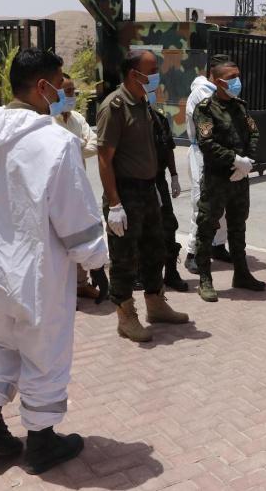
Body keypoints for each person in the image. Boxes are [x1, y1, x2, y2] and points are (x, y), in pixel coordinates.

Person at [0, 48, 109, 473]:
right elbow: (75, 216)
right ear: (43, 86)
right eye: (60, 84)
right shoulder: (54, 143)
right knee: (45, 353)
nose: (65, 92)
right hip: (37, 274)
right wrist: (95, 260)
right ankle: (41, 441)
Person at [96, 50, 189, 343]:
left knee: (155, 249)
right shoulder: (115, 106)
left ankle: (156, 304)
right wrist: (114, 204)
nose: (156, 76)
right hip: (125, 193)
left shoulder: (142, 103)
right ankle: (126, 316)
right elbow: (104, 158)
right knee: (125, 257)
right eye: (151, 71)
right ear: (133, 74)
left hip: (148, 190)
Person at [192, 58, 266, 302]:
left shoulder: (240, 107)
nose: (237, 81)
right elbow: (206, 143)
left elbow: (254, 133)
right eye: (231, 77)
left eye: (237, 76)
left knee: (237, 226)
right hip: (217, 179)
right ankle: (205, 278)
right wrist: (234, 159)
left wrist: (247, 162)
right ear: (217, 81)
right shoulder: (205, 109)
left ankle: (242, 274)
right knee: (207, 227)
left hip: (239, 179)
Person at [51, 73, 106, 301]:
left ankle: (81, 284)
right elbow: (55, 151)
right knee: (59, 241)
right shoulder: (47, 120)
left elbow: (94, 145)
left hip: (78, 186)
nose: (71, 95)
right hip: (57, 189)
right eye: (67, 91)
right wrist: (78, 144)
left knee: (81, 234)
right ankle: (63, 291)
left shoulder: (77, 118)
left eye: (73, 91)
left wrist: (71, 145)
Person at [184, 55, 232, 275]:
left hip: (222, 153)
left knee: (222, 202)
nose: (232, 80)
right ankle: (193, 253)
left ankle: (217, 245)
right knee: (202, 204)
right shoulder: (202, 93)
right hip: (203, 153)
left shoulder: (223, 92)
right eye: (227, 75)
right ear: (213, 73)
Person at [146, 102, 189, 292]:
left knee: (169, 226)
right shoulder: (127, 118)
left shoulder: (160, 118)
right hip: (138, 182)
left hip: (159, 181)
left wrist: (174, 176)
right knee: (141, 230)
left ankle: (171, 273)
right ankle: (141, 274)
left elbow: (168, 147)